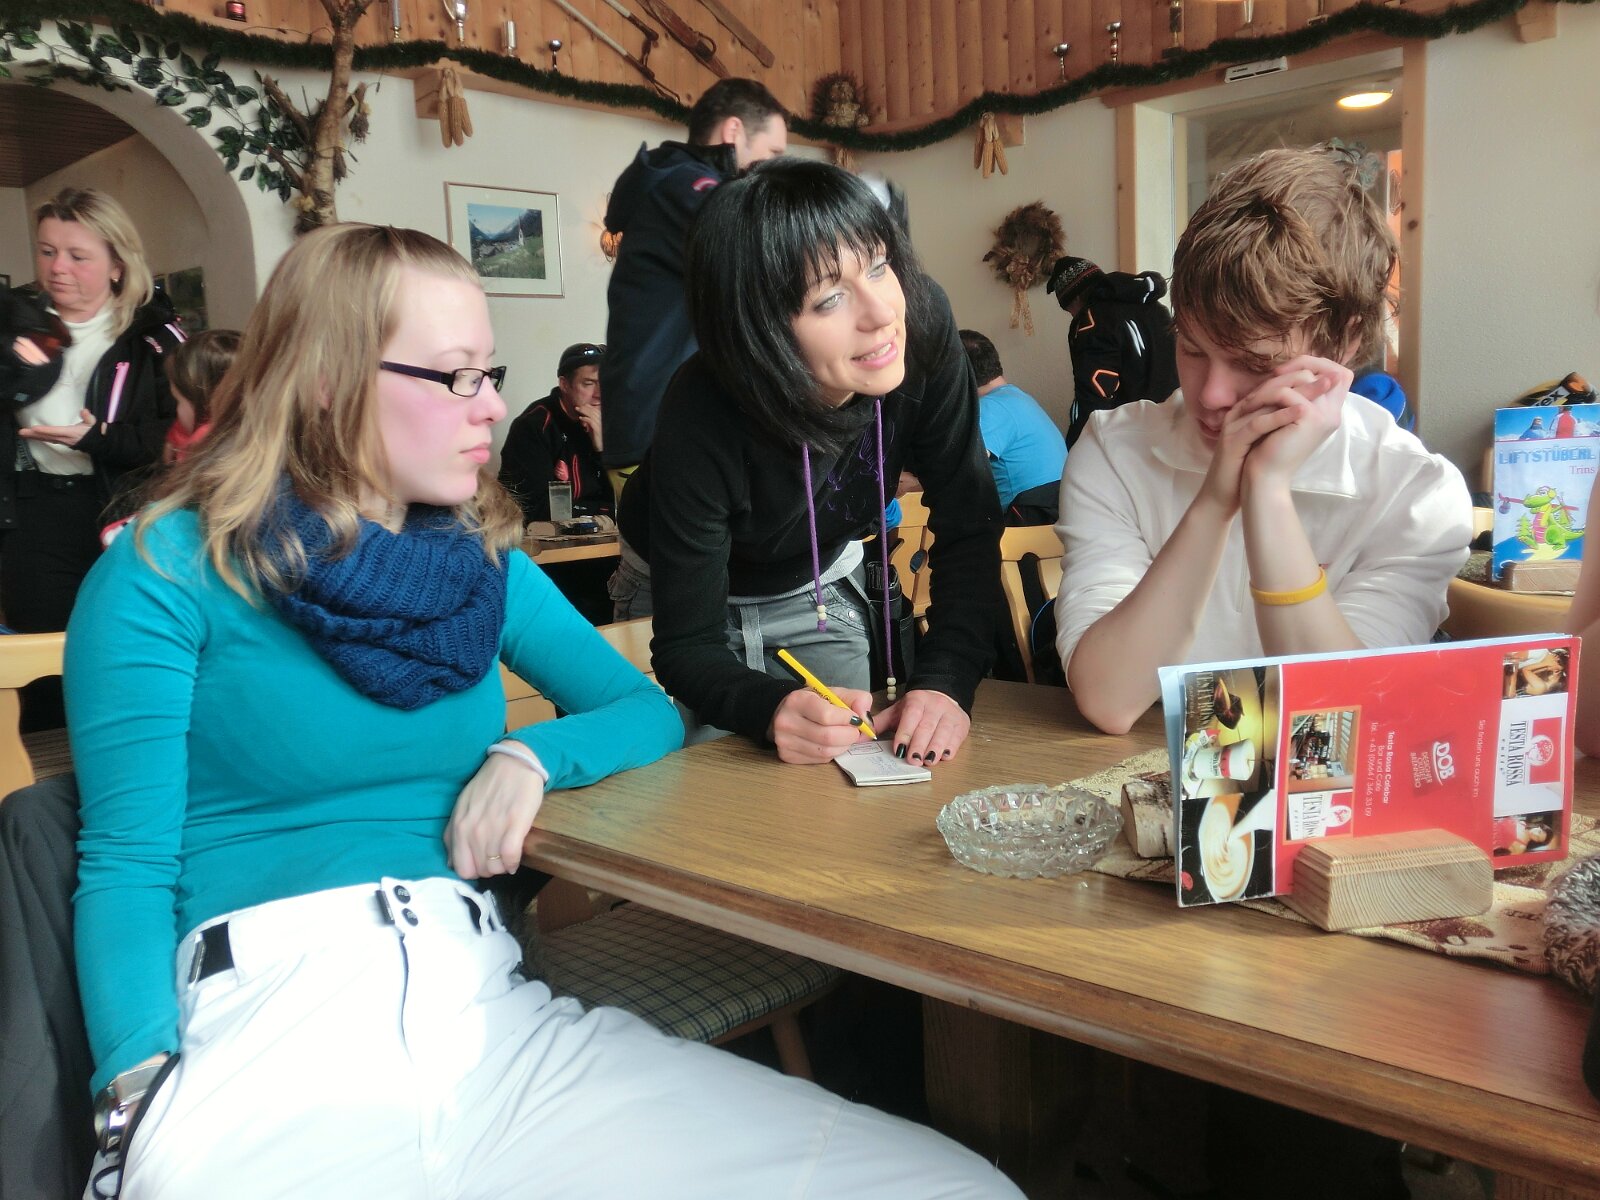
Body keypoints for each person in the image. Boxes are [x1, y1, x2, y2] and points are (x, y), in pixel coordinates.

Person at [66, 222, 1020, 1200]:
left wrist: (526, 758)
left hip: (486, 1014)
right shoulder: (169, 570)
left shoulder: (479, 562)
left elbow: (643, 710)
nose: (490, 406)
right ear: (324, 380)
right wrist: (135, 1089)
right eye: (456, 377)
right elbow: (126, 865)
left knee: (961, 1190)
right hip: (266, 1034)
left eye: (489, 374)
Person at [1056, 147, 1472, 736]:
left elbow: (1341, 721)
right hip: (1135, 773)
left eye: (1256, 364)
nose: (1210, 394)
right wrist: (1214, 502)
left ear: (1345, 344)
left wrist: (1268, 492)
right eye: (1191, 348)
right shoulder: (1114, 450)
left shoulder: (1414, 492)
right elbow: (1109, 700)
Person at [614, 159, 1002, 767]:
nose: (881, 314)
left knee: (845, 776)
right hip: (677, 587)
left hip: (815, 586)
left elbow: (968, 520)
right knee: (691, 790)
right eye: (829, 299)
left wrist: (946, 680)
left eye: (879, 266)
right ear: (758, 330)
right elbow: (687, 644)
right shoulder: (701, 407)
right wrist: (766, 709)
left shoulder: (920, 328)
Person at [1, 188, 182, 729]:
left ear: (118, 265)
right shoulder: (15, 326)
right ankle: (45, 771)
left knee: (126, 650)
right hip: (35, 510)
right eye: (46, 251)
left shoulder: (155, 339)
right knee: (43, 658)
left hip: (129, 513)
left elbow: (181, 438)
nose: (58, 268)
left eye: (78, 256)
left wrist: (97, 438)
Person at [600, 78, 788, 497]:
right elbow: (763, 256)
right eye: (773, 153)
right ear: (734, 131)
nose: (773, 168)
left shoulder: (674, 184)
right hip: (658, 429)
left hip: (662, 423)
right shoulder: (686, 189)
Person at [1045, 255, 1179, 448]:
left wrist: (1075, 448)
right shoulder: (1154, 306)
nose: (1073, 316)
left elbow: (1093, 398)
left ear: (1076, 298)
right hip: (1177, 424)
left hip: (1131, 440)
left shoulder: (1093, 323)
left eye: (1070, 310)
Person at [959, 328, 1067, 525]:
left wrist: (914, 483)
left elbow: (962, 468)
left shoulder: (990, 408)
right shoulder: (1016, 398)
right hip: (1054, 514)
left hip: (1025, 520)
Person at [497, 340, 611, 522]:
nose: (599, 394)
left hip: (605, 535)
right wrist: (605, 510)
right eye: (589, 383)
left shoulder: (613, 422)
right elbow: (534, 509)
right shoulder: (533, 426)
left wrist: (602, 450)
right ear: (564, 385)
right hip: (542, 537)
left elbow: (630, 500)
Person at [161, 328, 238, 464]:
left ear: (205, 402)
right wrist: (173, 438)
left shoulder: (205, 449)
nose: (177, 412)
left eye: (178, 401)